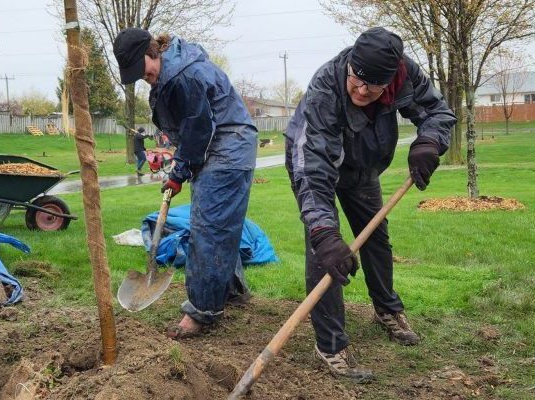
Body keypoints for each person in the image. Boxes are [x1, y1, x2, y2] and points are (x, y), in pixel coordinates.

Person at [284, 27, 455, 379]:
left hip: (363, 164)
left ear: (390, 81)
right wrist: (323, 232)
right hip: (314, 162)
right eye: (356, 80)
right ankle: (330, 345)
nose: (361, 90)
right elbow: (312, 170)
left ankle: (386, 310)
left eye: (372, 86)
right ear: (351, 66)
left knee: (375, 236)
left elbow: (437, 111)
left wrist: (429, 143)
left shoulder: (405, 74)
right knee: (325, 251)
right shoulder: (325, 88)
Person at [114, 28, 258, 338]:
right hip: (223, 145)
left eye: (142, 70)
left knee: (208, 227)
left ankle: (202, 311)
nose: (143, 77)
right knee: (220, 223)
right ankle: (231, 290)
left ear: (151, 53)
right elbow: (190, 130)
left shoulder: (185, 75)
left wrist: (179, 173)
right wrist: (179, 167)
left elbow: (198, 130)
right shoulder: (171, 71)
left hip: (227, 147)